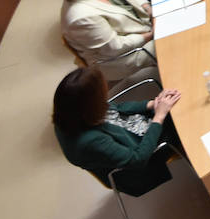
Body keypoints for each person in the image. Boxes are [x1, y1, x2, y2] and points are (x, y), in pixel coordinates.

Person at [53, 66, 182, 197]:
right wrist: (159, 116)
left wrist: (153, 104)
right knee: (182, 118)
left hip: (132, 134)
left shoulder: (69, 113)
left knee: (175, 102)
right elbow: (137, 159)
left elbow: (113, 108)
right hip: (141, 162)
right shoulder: (90, 142)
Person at [56, 0, 157, 88]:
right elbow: (114, 47)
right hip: (120, 57)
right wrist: (151, 34)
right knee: (170, 40)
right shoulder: (80, 17)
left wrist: (149, 10)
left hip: (145, 25)